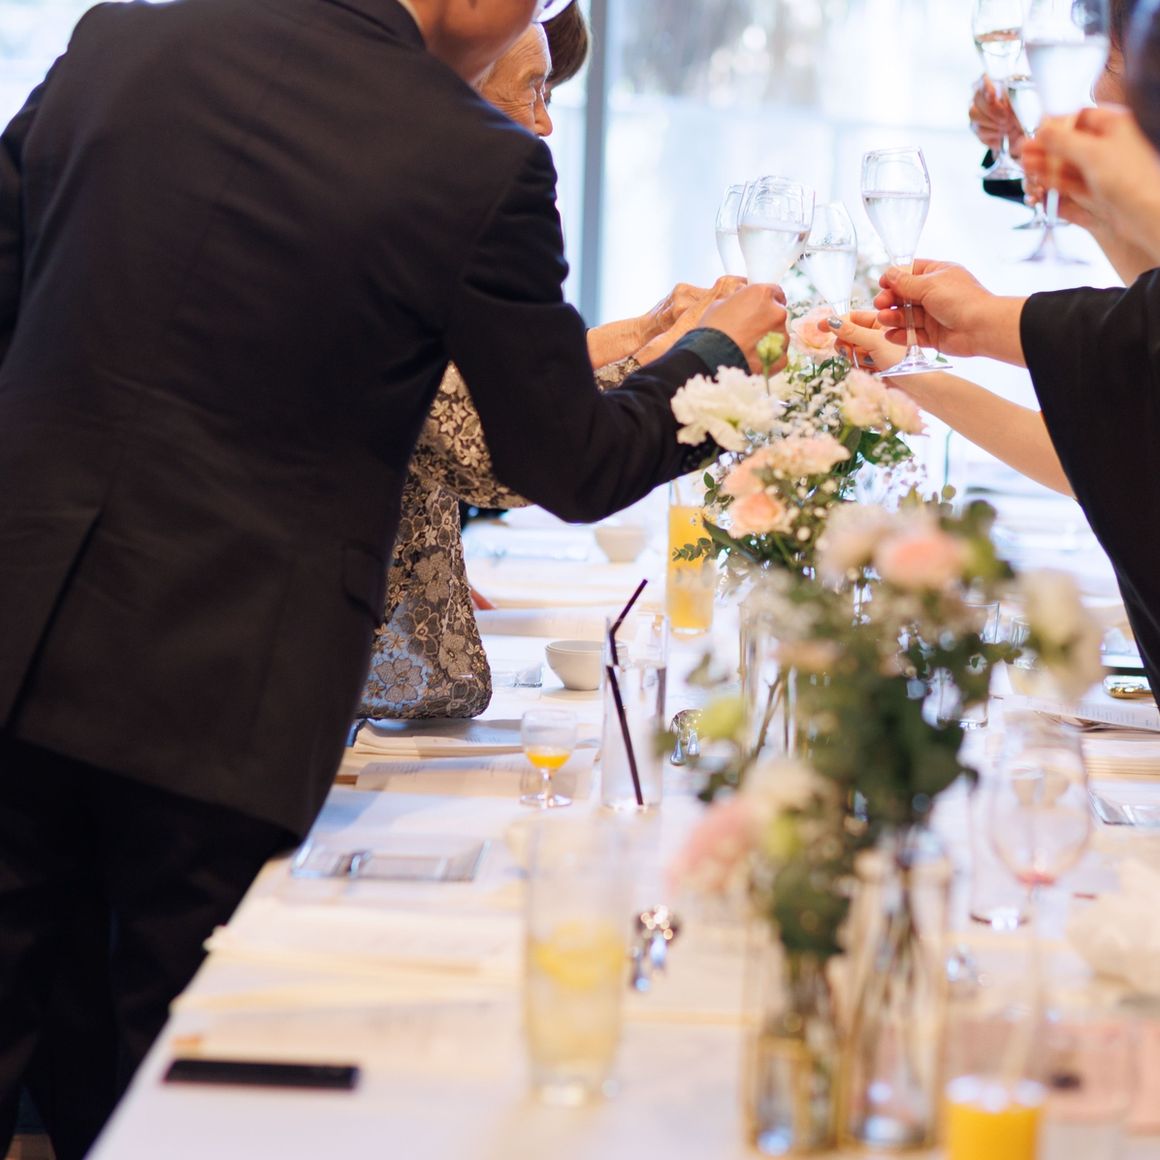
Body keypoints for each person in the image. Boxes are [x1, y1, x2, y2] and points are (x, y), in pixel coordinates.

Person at [0, 0, 788, 1154]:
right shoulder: (470, 160)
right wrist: (713, 359)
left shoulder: (124, 41)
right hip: (222, 688)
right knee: (179, 1094)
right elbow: (568, 461)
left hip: (21, 629)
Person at [359, 16, 741, 719]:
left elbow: (478, 391)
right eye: (533, 89)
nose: (545, 124)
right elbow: (517, 448)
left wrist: (645, 341)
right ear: (459, 89)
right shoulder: (395, 206)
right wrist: (704, 362)